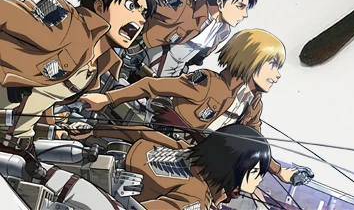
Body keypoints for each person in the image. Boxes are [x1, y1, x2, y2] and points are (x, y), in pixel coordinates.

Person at [80, 29, 307, 185]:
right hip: (157, 143)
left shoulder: (252, 104)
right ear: (251, 60)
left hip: (191, 159)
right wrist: (108, 99)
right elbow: (152, 85)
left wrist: (280, 171)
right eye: (273, 65)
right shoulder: (208, 83)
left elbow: (255, 145)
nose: (277, 75)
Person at [0, 0, 163, 150]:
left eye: (144, 13)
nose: (140, 20)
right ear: (99, 6)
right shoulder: (68, 25)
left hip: (16, 140)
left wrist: (56, 127)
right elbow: (7, 12)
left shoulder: (99, 65)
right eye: (131, 6)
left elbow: (44, 95)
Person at [125, 123, 270, 210]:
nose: (259, 180)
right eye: (255, 171)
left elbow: (140, 132)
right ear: (230, 166)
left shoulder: (188, 152)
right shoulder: (196, 198)